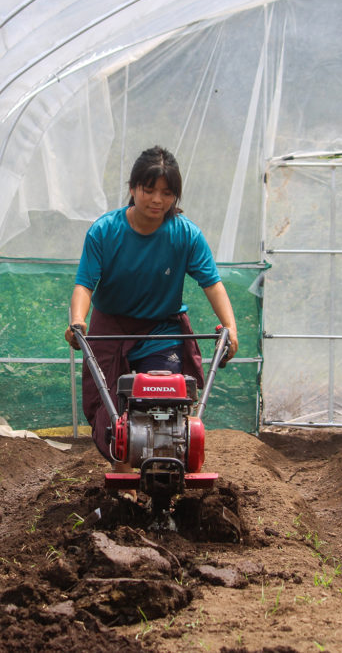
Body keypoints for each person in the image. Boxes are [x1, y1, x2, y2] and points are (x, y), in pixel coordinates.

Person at [65, 146, 238, 468]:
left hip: (161, 327)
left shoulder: (185, 234)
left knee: (165, 398)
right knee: (110, 409)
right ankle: (122, 469)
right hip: (110, 327)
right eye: (149, 190)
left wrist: (231, 326)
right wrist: (78, 321)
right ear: (132, 189)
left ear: (175, 196)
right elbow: (85, 283)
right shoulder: (105, 231)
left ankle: (163, 469)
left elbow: (212, 283)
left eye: (167, 192)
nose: (157, 200)